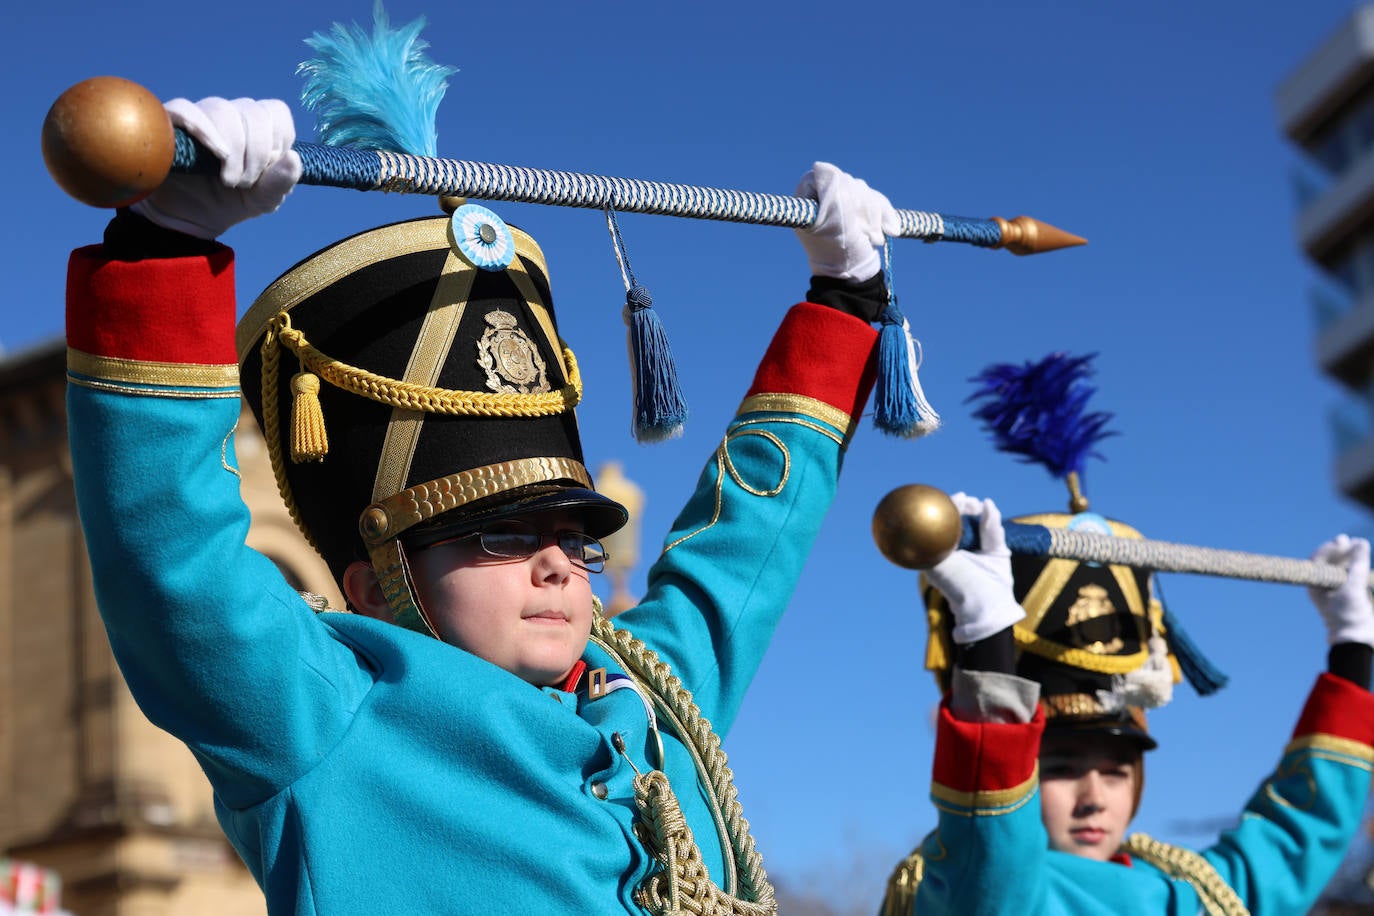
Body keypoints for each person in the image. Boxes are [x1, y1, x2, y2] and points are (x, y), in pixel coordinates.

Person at [64, 96, 899, 915]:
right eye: (500, 533)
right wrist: (165, 248)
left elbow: (743, 550)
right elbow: (173, 566)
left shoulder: (648, 697)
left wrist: (845, 299)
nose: (557, 565)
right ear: (373, 584)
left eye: (578, 541)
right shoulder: (324, 720)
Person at [879, 492, 1374, 915]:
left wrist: (1353, 646)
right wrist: (986, 638)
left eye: (1116, 772)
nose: (1094, 797)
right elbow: (989, 856)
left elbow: (1295, 838)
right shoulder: (968, 889)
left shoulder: (1196, 894)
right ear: (1023, 772)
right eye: (1063, 767)